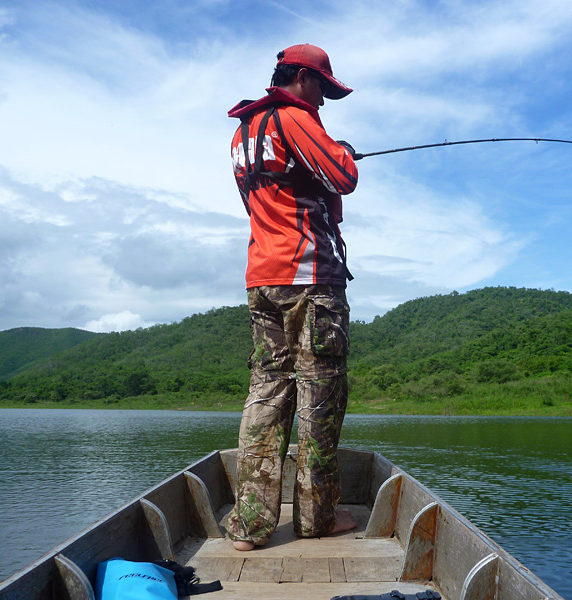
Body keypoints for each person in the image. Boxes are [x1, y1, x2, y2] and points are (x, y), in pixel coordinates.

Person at [225, 44, 359, 551]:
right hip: (310, 279)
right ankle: (318, 517)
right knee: (319, 397)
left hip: (262, 279)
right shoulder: (295, 117)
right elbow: (343, 175)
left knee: (265, 396)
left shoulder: (244, 132)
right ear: (301, 77)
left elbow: (282, 191)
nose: (323, 100)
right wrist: (341, 148)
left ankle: (251, 526)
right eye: (322, 88)